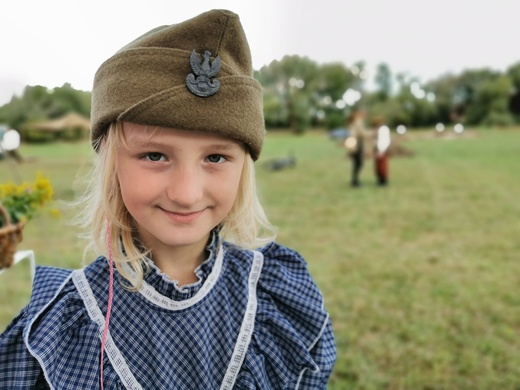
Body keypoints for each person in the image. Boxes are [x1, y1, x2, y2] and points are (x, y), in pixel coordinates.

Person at [0, 9, 336, 389]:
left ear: (245, 166)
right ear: (112, 166)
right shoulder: (60, 322)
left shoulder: (278, 297)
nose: (186, 193)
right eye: (155, 156)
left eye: (215, 158)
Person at [345, 109, 367, 187]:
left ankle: (354, 180)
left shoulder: (354, 122)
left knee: (356, 163)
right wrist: (372, 133)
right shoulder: (358, 122)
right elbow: (361, 133)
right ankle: (355, 181)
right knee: (358, 163)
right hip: (357, 145)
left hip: (355, 145)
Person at [373, 116, 391, 186]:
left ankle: (383, 181)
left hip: (382, 149)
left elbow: (384, 140)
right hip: (379, 149)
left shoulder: (383, 129)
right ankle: (380, 179)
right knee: (378, 166)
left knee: (382, 166)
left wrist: (381, 150)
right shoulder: (379, 129)